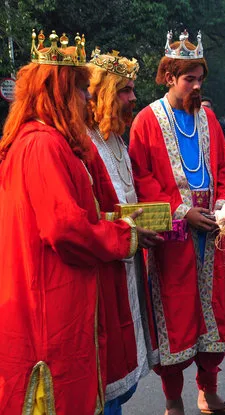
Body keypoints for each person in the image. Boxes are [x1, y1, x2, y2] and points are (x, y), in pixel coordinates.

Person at [0, 29, 145, 414]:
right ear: (59, 92)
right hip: (49, 305)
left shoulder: (53, 141)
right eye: (81, 90)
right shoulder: (41, 145)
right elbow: (65, 228)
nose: (88, 98)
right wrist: (123, 235)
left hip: (58, 296)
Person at [128, 30, 225, 415]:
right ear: (169, 76)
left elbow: (224, 167)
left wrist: (223, 202)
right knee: (174, 315)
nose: (195, 85)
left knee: (214, 314)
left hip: (213, 228)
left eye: (199, 78)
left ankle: (207, 392)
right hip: (174, 236)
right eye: (188, 78)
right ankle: (173, 400)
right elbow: (141, 177)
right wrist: (181, 210)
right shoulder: (145, 120)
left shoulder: (207, 118)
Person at [85, 48, 161, 415]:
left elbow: (135, 190)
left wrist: (165, 216)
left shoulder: (116, 138)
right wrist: (127, 230)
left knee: (126, 374)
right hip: (102, 270)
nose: (133, 98)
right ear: (100, 92)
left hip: (129, 263)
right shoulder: (82, 143)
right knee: (107, 372)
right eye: (124, 90)